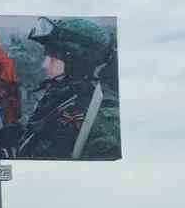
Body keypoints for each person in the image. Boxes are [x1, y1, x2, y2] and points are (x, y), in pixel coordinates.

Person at [15, 17, 120, 159]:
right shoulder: (62, 97)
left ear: (75, 61)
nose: (44, 65)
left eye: (53, 57)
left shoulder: (101, 115)